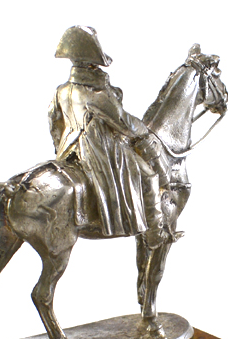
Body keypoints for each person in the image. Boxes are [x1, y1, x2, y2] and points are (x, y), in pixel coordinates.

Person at [48, 26, 170, 247]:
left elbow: (54, 123)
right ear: (90, 65)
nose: (97, 68)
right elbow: (123, 122)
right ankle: (155, 234)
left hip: (68, 149)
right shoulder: (97, 93)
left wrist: (61, 148)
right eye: (95, 64)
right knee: (149, 175)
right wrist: (144, 131)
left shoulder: (61, 91)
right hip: (98, 149)